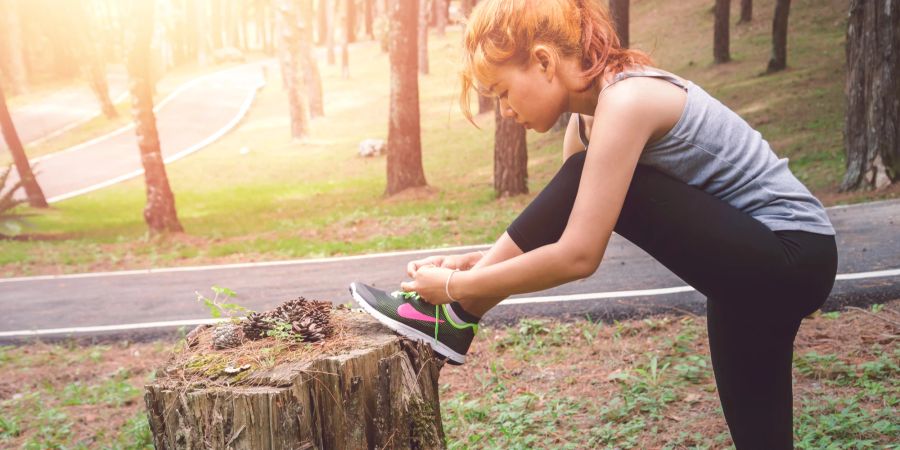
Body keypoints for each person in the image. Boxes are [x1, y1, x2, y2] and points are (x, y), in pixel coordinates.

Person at [349, 0, 838, 447]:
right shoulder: (587, 125)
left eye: (502, 92)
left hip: (792, 252)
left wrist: (458, 286)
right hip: (743, 272)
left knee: (579, 174)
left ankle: (456, 315)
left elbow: (580, 255)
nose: (504, 110)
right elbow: (560, 235)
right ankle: (457, 314)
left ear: (543, 61)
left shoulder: (628, 100)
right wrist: (471, 265)